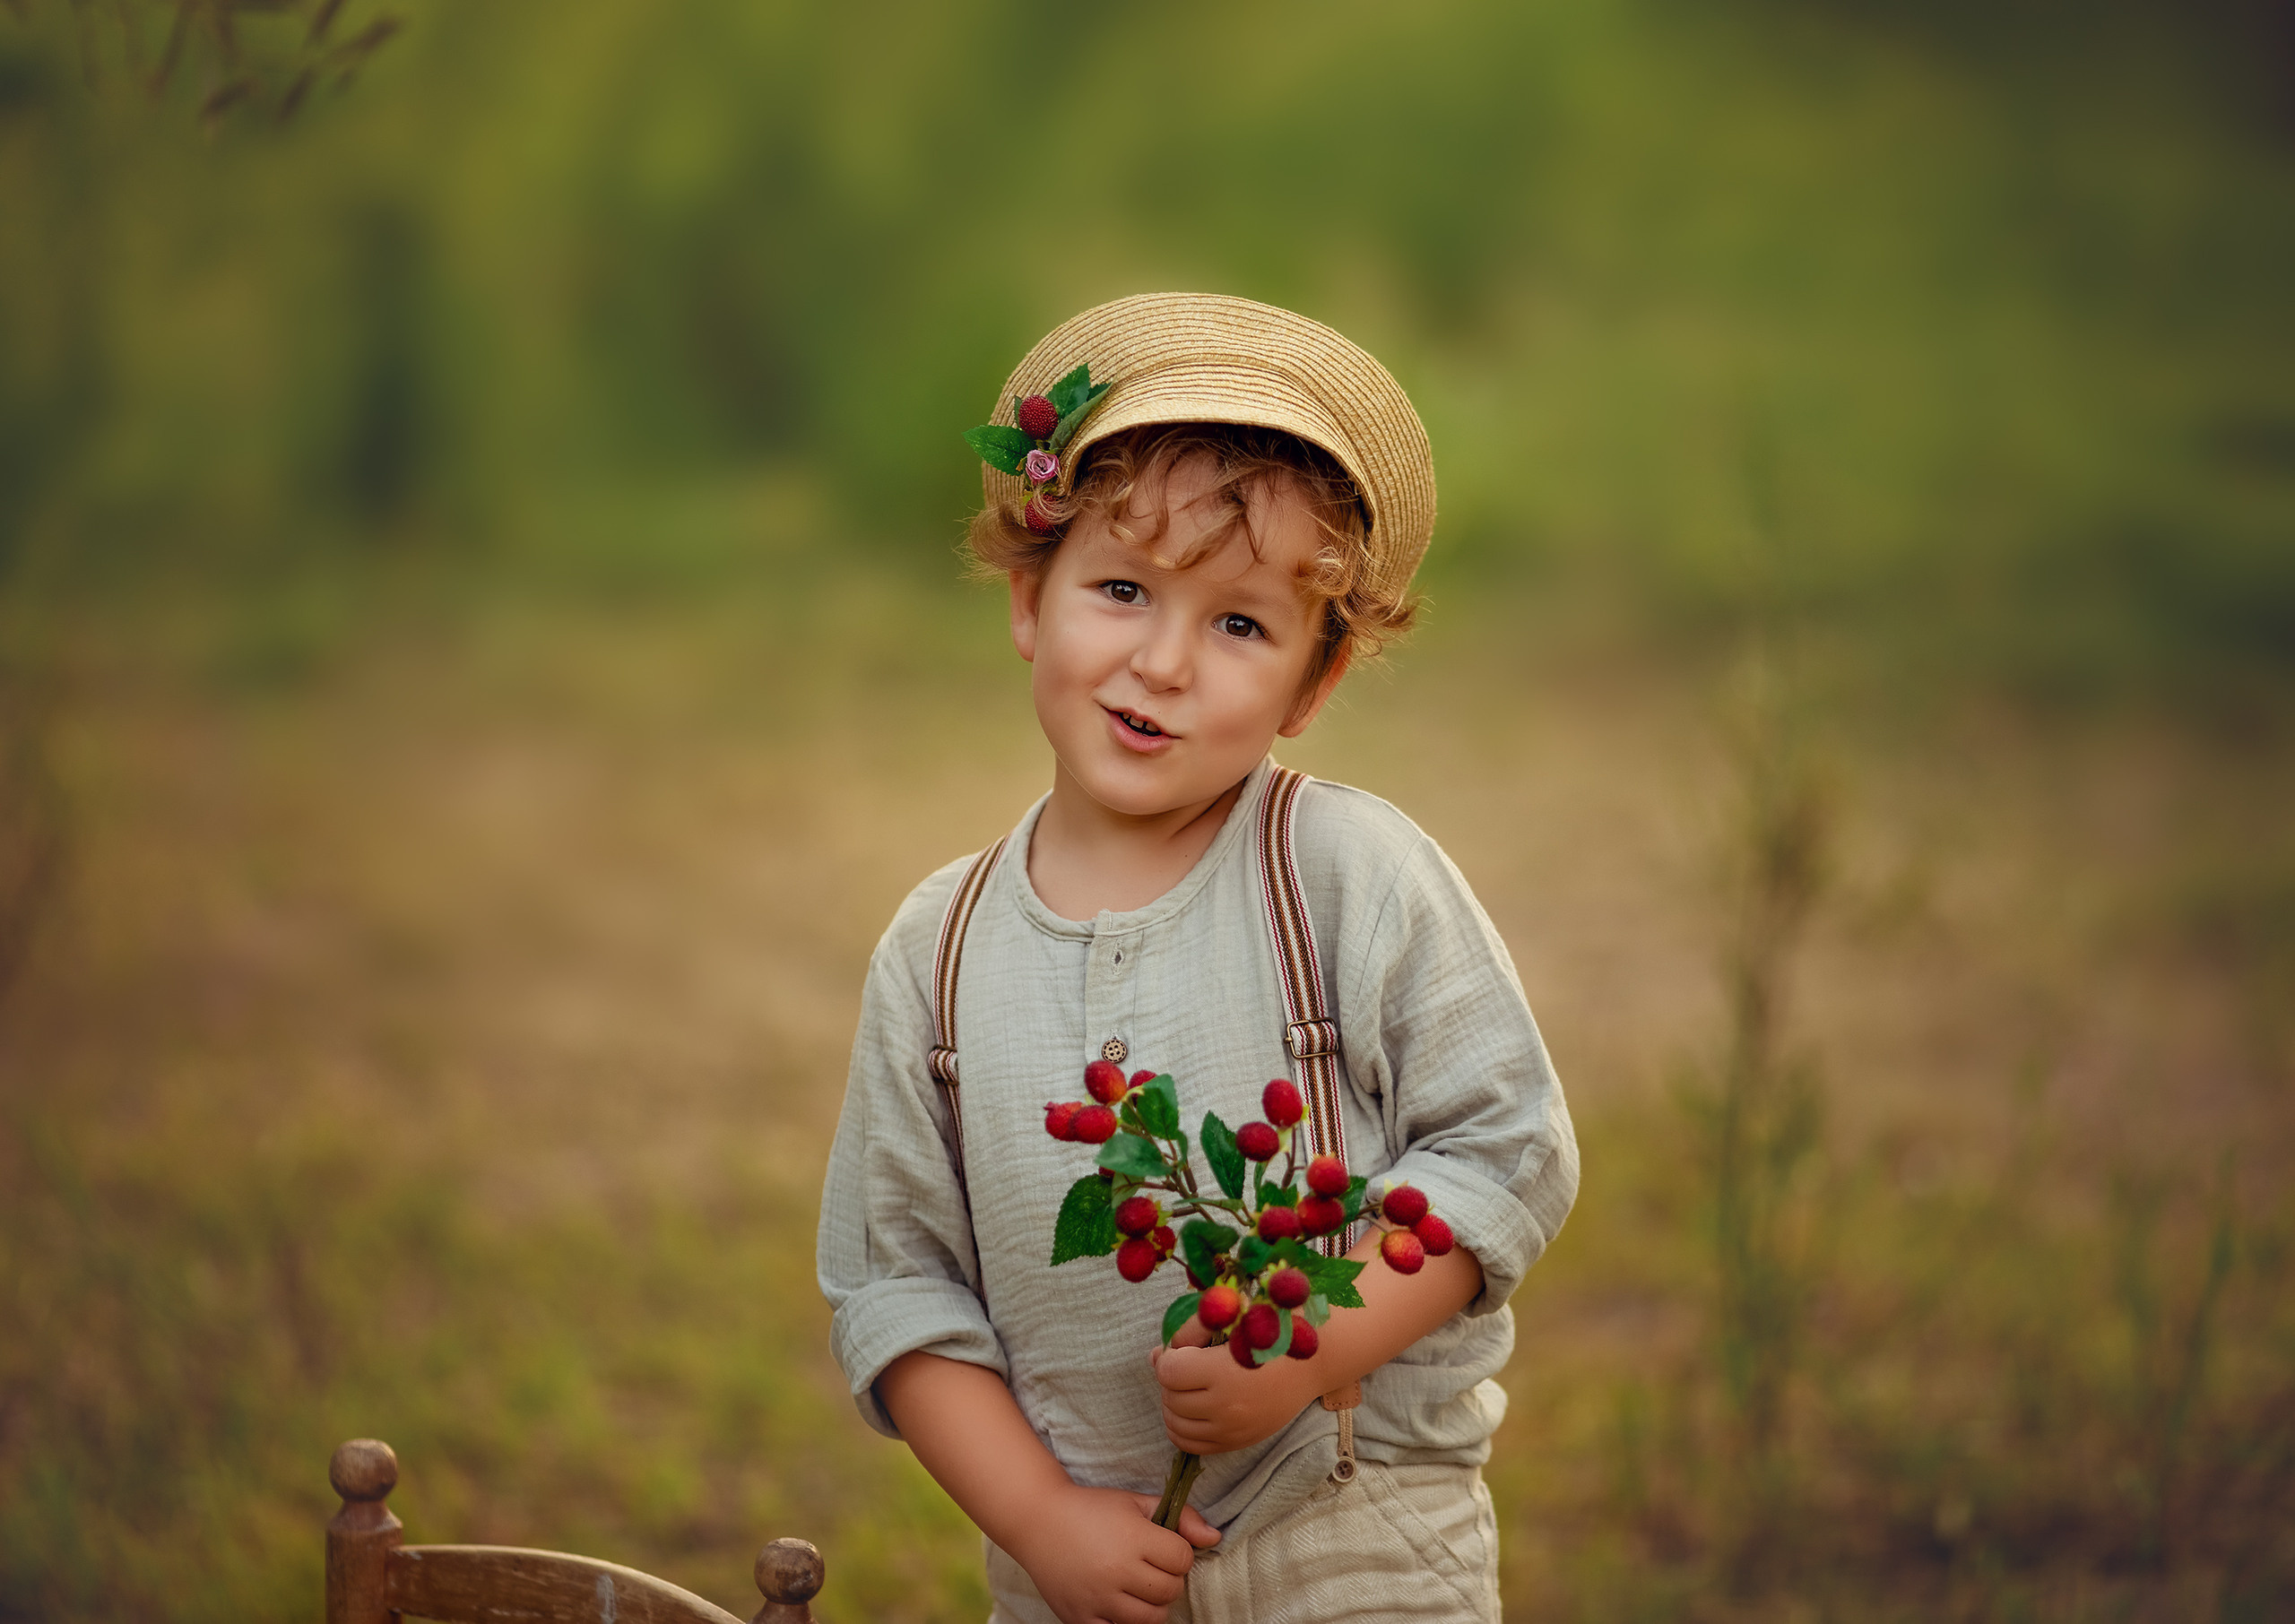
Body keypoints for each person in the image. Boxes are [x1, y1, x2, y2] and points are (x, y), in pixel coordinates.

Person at [817, 293, 1578, 1624]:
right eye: (1121, 591)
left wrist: (1305, 1348)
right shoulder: (935, 950)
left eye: (1239, 625)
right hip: (1079, 1574)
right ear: (1028, 599)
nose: (1161, 661)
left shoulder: (1349, 876)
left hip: (1359, 1528)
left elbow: (1501, 1149)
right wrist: (1041, 1523)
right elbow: (900, 1293)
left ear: (1312, 681)